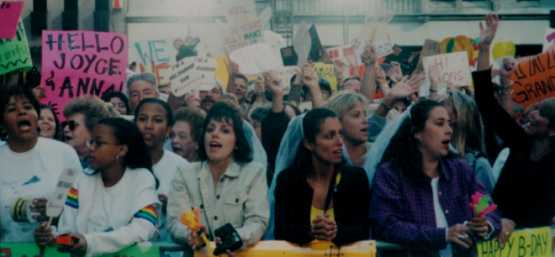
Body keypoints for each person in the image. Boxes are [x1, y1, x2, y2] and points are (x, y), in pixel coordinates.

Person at [370, 100, 500, 257]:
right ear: (417, 132)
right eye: (440, 124)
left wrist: (486, 224)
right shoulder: (390, 174)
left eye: (449, 124)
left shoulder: (461, 170)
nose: (449, 130)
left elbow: (485, 203)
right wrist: (443, 235)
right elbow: (386, 225)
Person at [34, 118, 159, 257]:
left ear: (122, 150)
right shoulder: (81, 179)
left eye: (99, 143)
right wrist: (53, 237)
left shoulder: (142, 178)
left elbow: (142, 229)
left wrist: (89, 242)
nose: (91, 148)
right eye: (91, 141)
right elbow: (67, 231)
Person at [475, 14, 555, 228]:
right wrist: (484, 49)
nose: (530, 111)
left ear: (552, 129)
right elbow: (485, 102)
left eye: (539, 111)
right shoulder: (519, 141)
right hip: (499, 239)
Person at [167, 102, 269, 251]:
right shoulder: (184, 173)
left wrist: (233, 239)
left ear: (236, 142)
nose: (215, 134)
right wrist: (190, 233)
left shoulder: (254, 173)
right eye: (210, 129)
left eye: (225, 130)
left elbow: (257, 221)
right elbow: (175, 221)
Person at [0, 78, 81, 242]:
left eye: (28, 107)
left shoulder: (64, 154)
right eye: (12, 109)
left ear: (36, 116)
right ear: (2, 123)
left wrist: (55, 216)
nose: (22, 112)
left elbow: (81, 205)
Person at [273, 108, 370, 246]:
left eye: (340, 134)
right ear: (309, 143)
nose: (340, 142)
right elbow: (281, 232)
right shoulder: (289, 180)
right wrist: (311, 232)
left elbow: (363, 229)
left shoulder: (355, 178)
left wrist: (336, 231)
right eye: (330, 136)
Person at [134, 98, 191, 242]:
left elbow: (189, 220)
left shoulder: (182, 168)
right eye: (142, 119)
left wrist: (170, 206)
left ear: (168, 129)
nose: (148, 126)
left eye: (157, 120)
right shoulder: (120, 163)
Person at [441, 90, 495, 193]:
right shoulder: (435, 158)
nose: (439, 107)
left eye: (445, 103)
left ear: (457, 116)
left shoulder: (477, 165)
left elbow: (484, 207)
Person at [63, 97, 115, 170]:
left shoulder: (108, 167)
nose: (65, 129)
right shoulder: (61, 160)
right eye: (65, 124)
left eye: (72, 125)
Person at [326, 91, 370, 167]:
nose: (365, 120)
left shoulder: (378, 153)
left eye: (365, 114)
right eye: (356, 115)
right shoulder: (327, 158)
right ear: (338, 121)